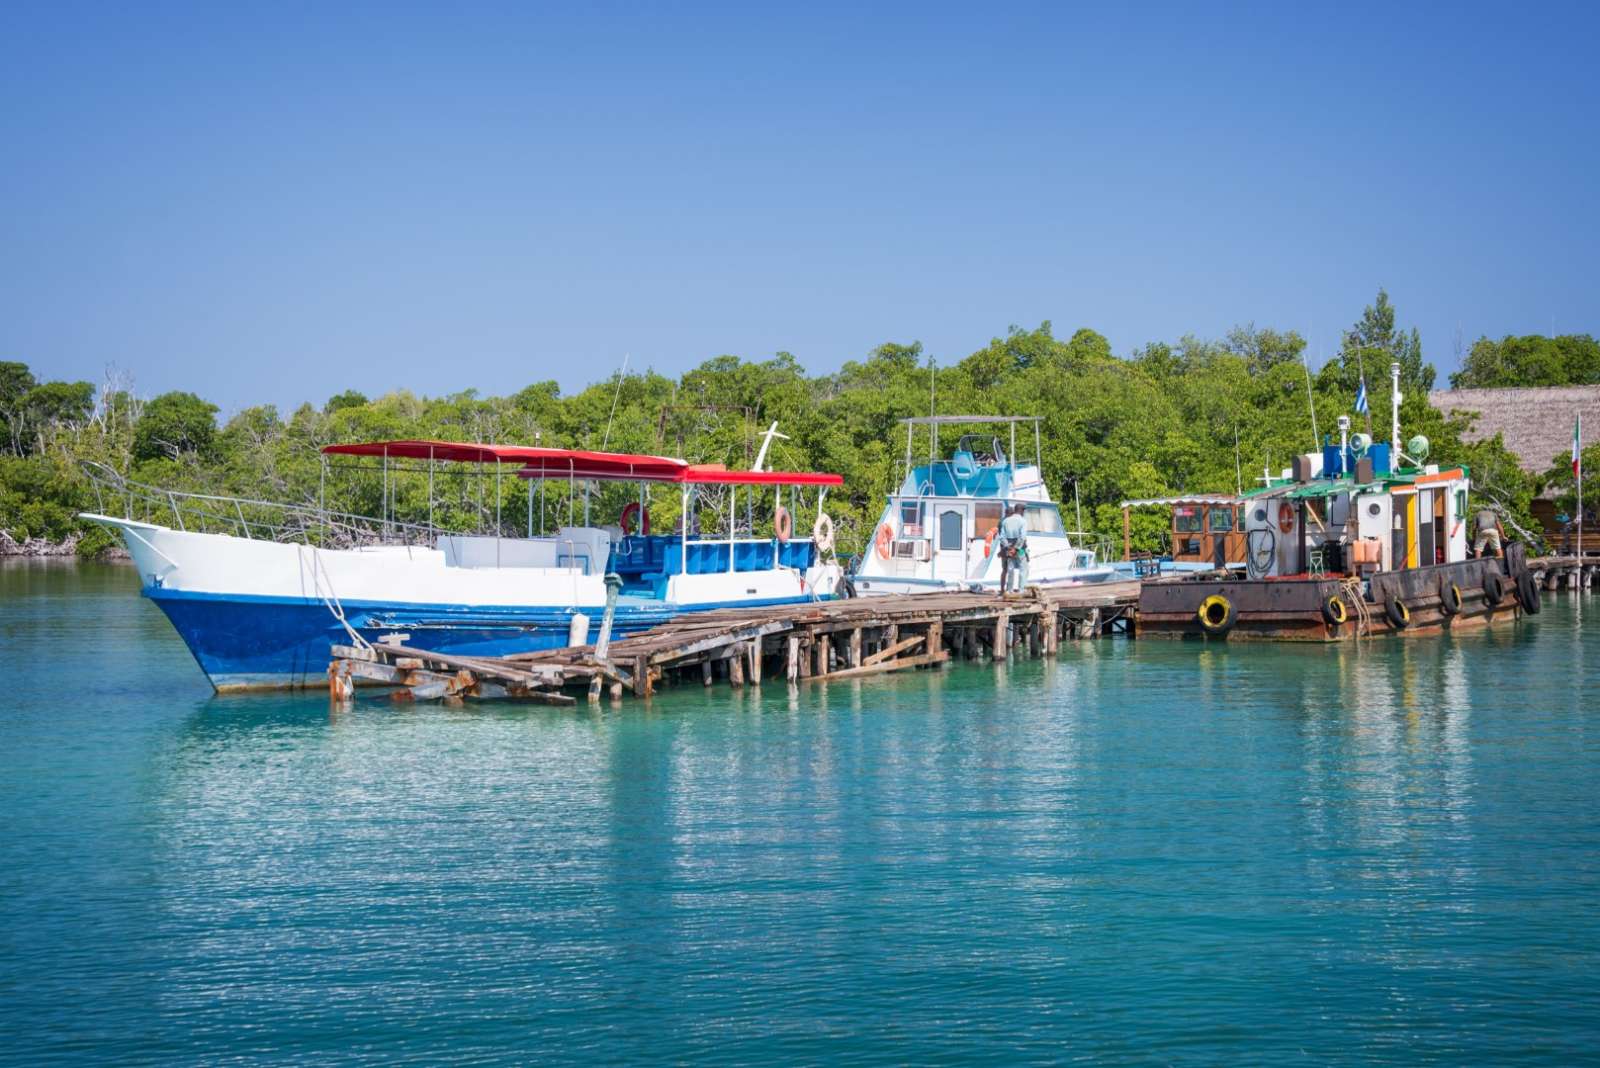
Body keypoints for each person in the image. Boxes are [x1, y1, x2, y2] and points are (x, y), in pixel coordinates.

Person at [997, 503, 1029, 594]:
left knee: (1010, 569)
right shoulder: (1023, 521)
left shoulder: (1005, 521)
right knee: (1023, 569)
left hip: (1009, 549)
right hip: (1020, 549)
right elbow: (1022, 537)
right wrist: (1016, 548)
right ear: (1021, 511)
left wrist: (1009, 547)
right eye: (1023, 511)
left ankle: (1009, 590)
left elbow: (1002, 537)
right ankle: (1021, 590)